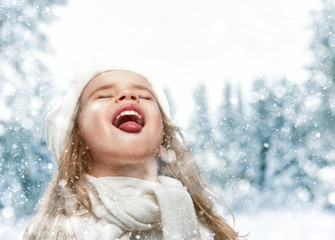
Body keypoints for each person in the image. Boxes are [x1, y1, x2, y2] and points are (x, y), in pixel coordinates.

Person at [23, 65, 239, 239]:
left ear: (163, 145)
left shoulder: (204, 231)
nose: (129, 95)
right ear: (77, 146)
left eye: (145, 97)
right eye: (104, 95)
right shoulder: (59, 233)